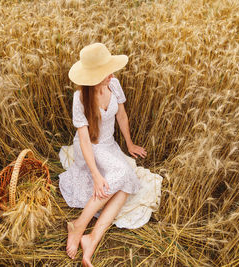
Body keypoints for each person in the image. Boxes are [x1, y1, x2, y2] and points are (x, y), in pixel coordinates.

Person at [58, 43, 147, 266]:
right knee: (120, 176)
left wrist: (129, 144)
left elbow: (122, 117)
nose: (111, 74)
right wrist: (96, 174)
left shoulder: (114, 84)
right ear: (92, 77)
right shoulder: (80, 99)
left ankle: (92, 237)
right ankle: (78, 226)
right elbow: (86, 141)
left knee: (126, 182)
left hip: (109, 145)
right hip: (90, 148)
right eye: (105, 72)